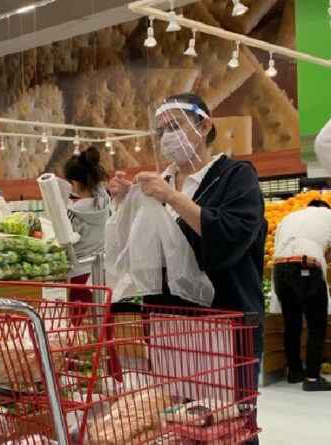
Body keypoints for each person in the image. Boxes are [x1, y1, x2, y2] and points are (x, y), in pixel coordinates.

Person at [108, 93, 266, 444]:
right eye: (162, 129)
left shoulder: (235, 177)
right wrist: (124, 205)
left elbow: (233, 235)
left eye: (176, 125)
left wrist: (173, 198)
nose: (167, 136)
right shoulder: (155, 183)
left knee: (229, 426)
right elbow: (135, 254)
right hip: (169, 328)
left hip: (224, 328)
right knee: (176, 424)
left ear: (205, 125)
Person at [273, 199, 331, 391]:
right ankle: (313, 379)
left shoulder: (289, 217)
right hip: (306, 266)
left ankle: (295, 372)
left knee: (292, 324)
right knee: (316, 324)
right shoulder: (327, 215)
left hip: (279, 268)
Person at [63, 146, 110, 303]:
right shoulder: (106, 204)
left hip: (80, 272)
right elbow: (100, 189)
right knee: (104, 319)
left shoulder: (73, 212)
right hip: (103, 269)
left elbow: (64, 242)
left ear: (74, 183)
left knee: (76, 323)